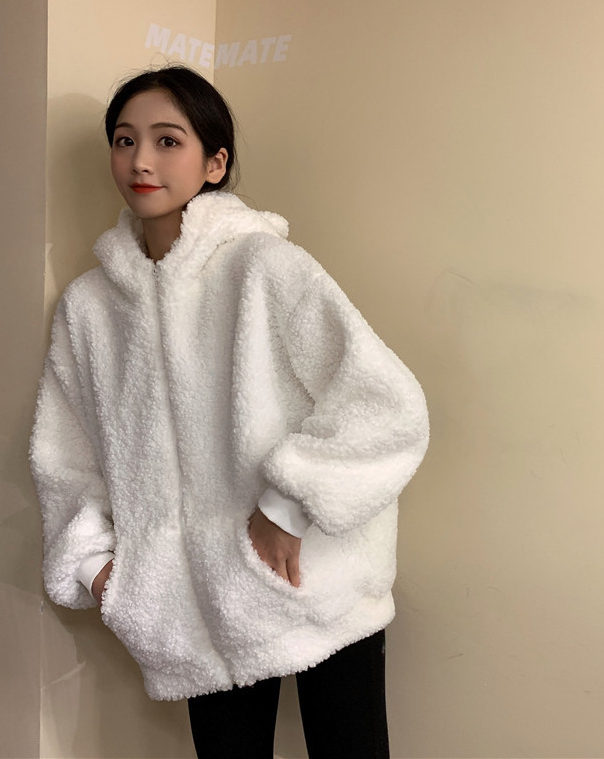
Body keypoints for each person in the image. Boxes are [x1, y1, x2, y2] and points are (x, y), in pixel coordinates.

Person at [30, 65, 429, 758]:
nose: (141, 161)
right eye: (124, 140)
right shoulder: (89, 310)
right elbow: (65, 455)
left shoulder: (266, 269)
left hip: (316, 587)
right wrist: (96, 565)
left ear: (214, 163)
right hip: (189, 616)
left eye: (167, 140)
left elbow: (386, 404)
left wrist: (287, 505)